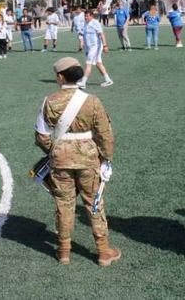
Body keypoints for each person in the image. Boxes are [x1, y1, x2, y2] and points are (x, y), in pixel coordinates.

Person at [35, 57, 121, 266]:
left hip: (60, 160)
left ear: (59, 77)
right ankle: (103, 252)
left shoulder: (49, 101)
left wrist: (55, 151)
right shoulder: (92, 100)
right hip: (89, 159)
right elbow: (105, 134)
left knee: (64, 204)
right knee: (94, 203)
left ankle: (64, 251)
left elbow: (41, 136)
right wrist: (106, 157)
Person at [79, 9, 113, 88]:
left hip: (95, 46)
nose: (85, 18)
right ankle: (108, 80)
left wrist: (105, 45)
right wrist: (83, 44)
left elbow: (102, 34)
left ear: (91, 16)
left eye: (87, 16)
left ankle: (83, 83)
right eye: (85, 16)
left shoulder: (95, 23)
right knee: (98, 63)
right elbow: (84, 35)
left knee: (88, 63)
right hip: (89, 47)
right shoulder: (85, 24)